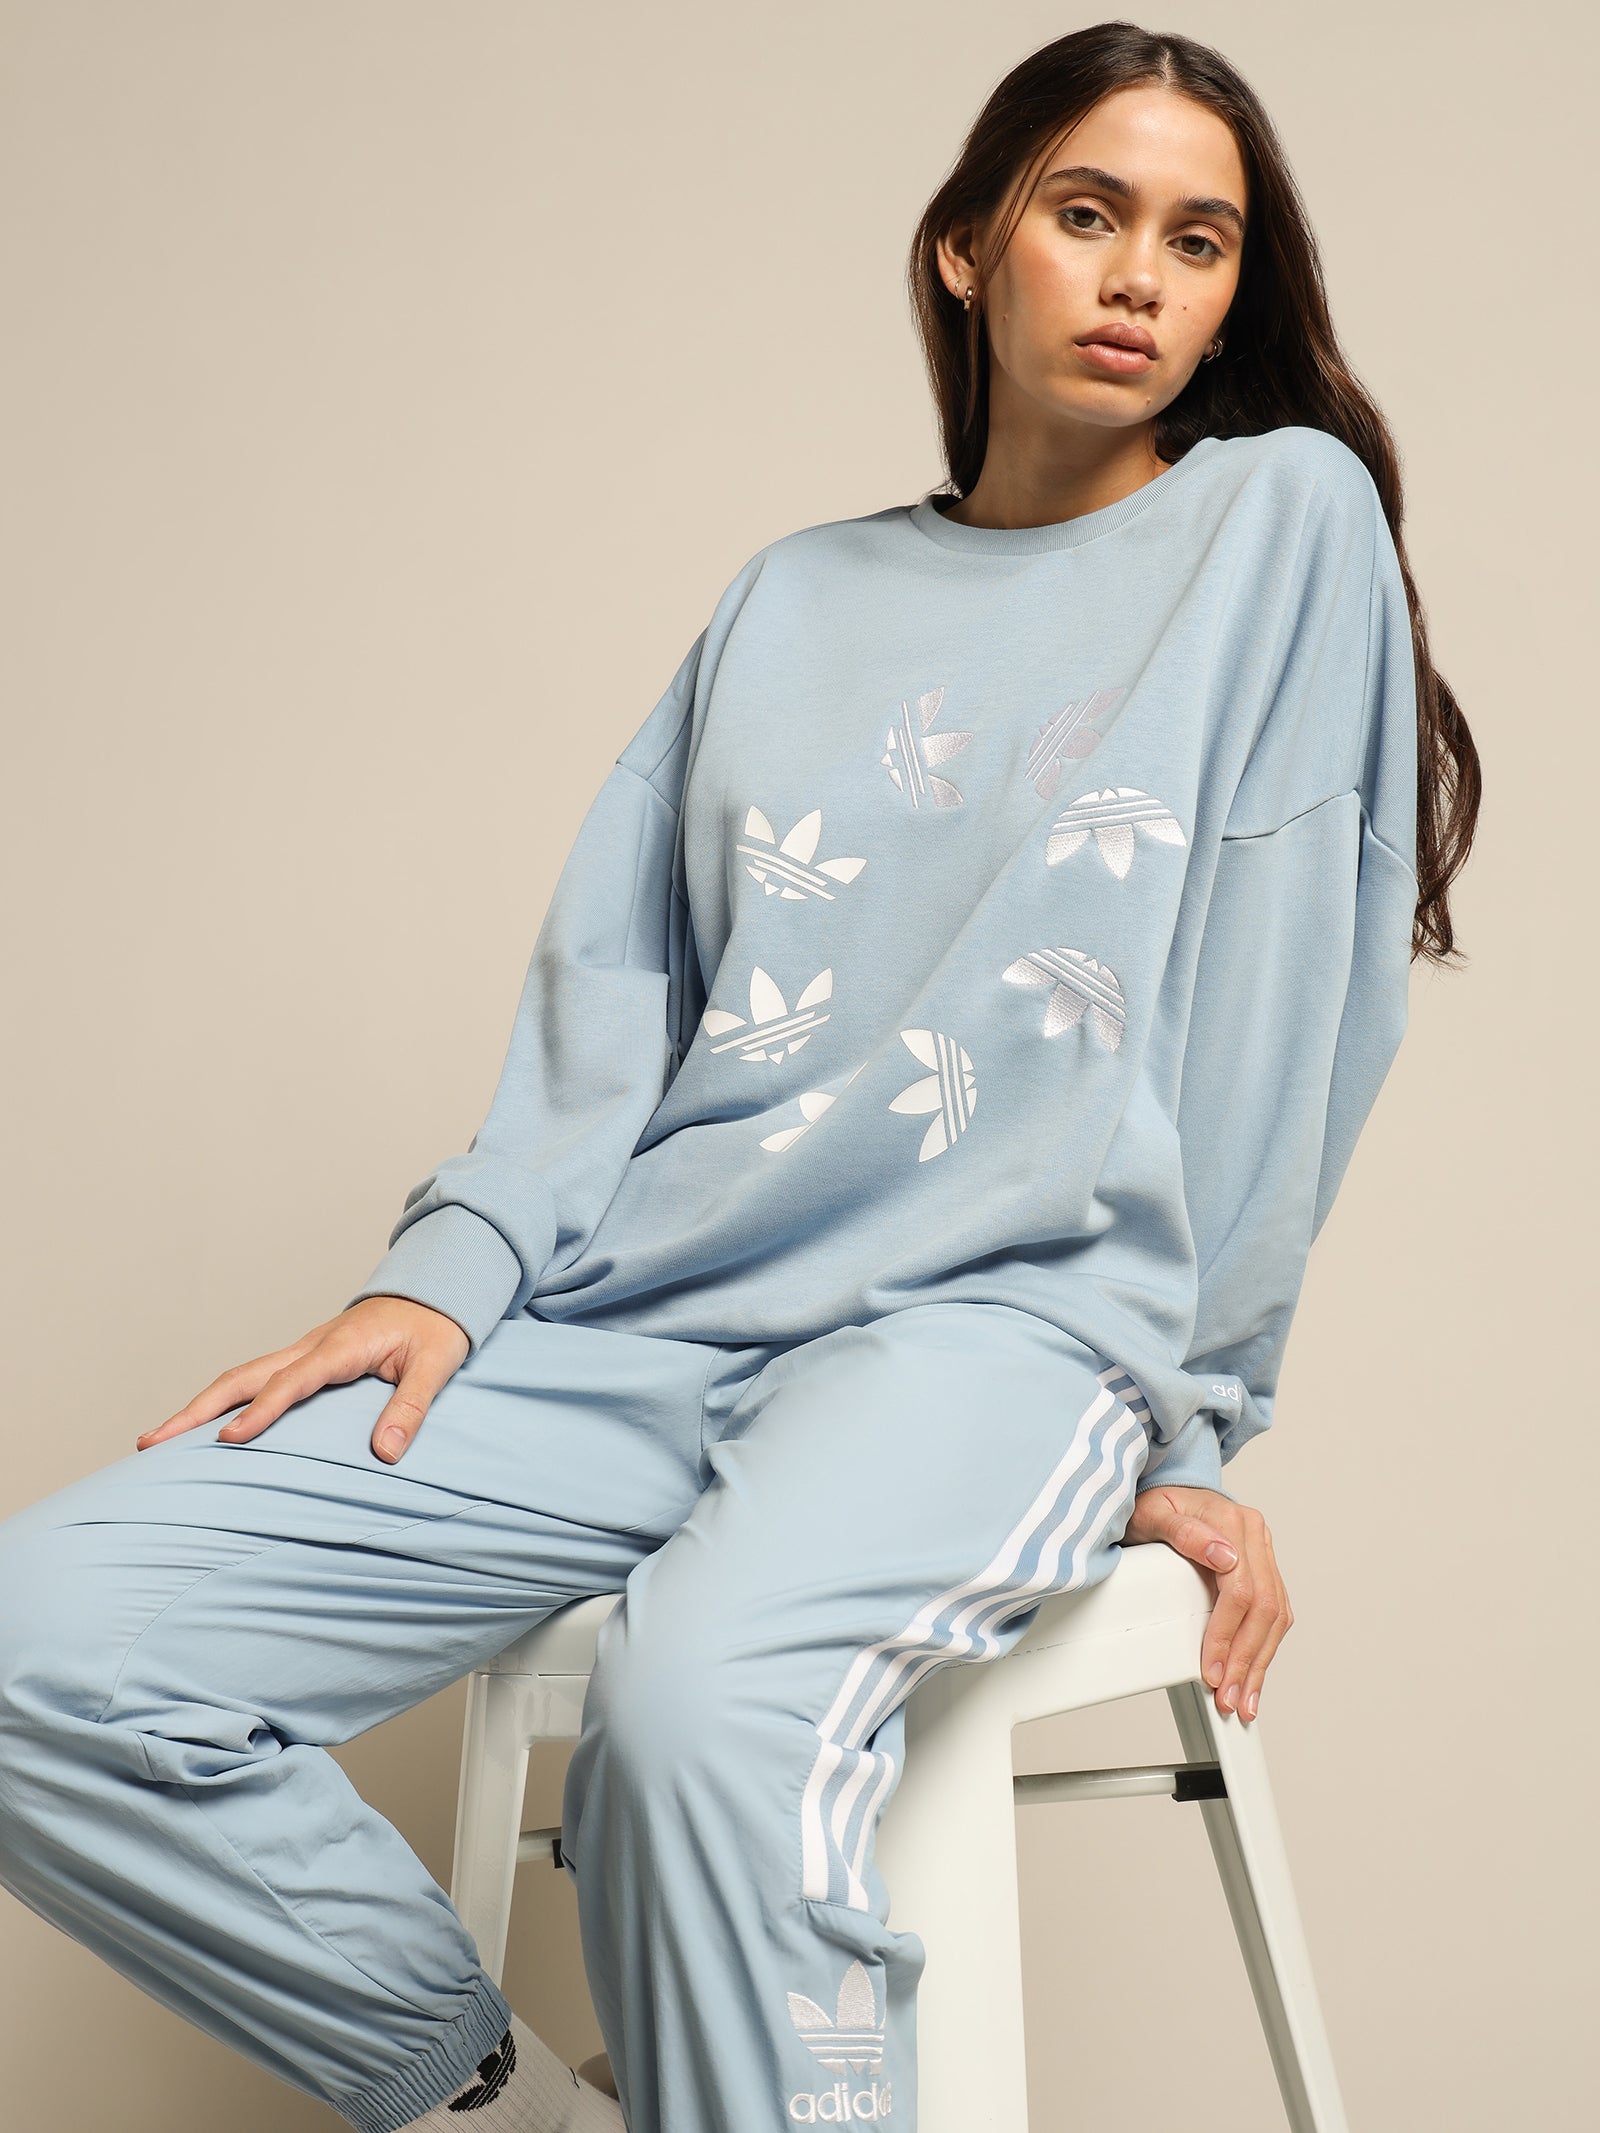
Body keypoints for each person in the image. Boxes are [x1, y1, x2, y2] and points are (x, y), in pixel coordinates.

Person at [0, 22, 1479, 2133]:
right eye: (1086, 213)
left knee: (697, 1724)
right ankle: (508, 2110)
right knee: (41, 1637)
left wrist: (1175, 1406)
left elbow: (1280, 1012)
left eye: (1198, 239)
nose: (1139, 276)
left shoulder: (1277, 523)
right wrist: (449, 1272)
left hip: (988, 1332)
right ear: (966, 247)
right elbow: (621, 987)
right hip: (645, 1314)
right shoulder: (791, 598)